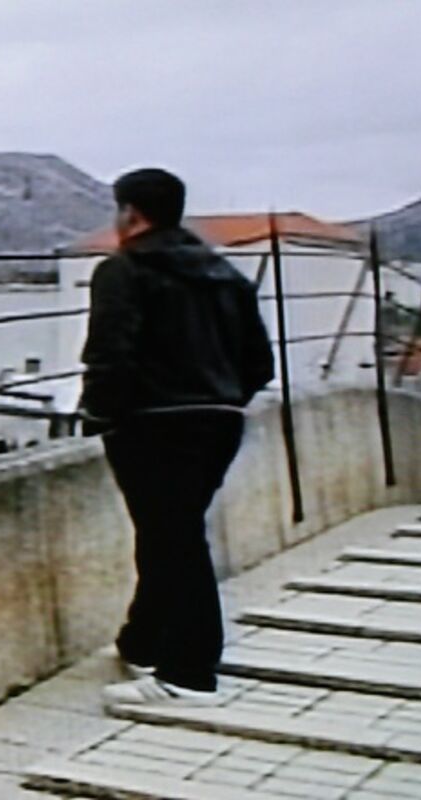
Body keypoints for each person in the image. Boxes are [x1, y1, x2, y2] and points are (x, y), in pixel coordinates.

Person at [78, 168, 274, 706]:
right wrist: (224, 398)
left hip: (153, 423)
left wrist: (100, 414)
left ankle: (190, 672)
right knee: (171, 532)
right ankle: (143, 640)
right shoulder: (226, 275)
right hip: (219, 421)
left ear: (129, 213)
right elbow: (260, 363)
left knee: (175, 538)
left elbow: (109, 355)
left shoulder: (123, 271)